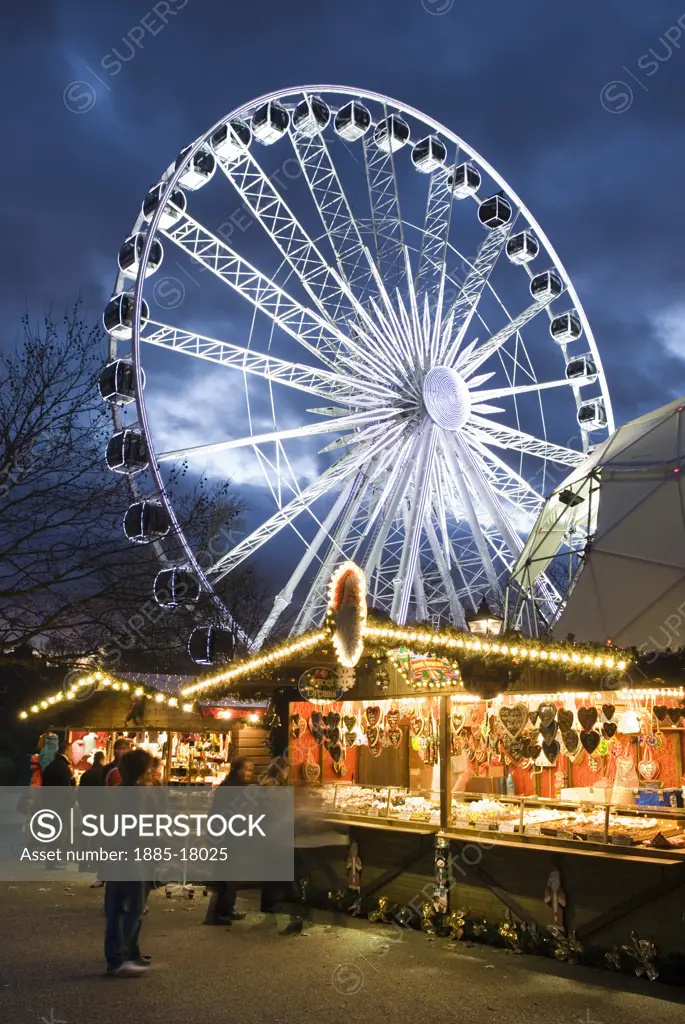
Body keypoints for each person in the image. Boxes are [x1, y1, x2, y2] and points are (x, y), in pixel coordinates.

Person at [104, 748, 154, 977]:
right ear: (142, 770)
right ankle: (122, 955)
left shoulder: (116, 792)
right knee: (133, 907)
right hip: (131, 854)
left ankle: (121, 955)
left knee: (117, 907)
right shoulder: (138, 794)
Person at [203, 756, 254, 926]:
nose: (249, 773)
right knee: (227, 876)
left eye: (251, 770)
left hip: (226, 835)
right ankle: (220, 914)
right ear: (237, 770)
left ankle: (226, 910)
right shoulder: (234, 788)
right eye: (246, 769)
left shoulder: (232, 786)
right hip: (228, 837)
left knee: (227, 875)